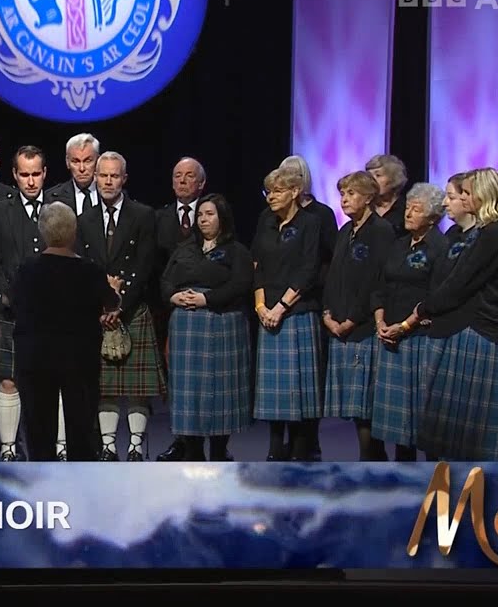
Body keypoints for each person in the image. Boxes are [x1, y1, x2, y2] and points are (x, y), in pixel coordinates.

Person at [414, 168, 498, 461]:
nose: (461, 198)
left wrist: (424, 308)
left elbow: (465, 280)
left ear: (484, 195)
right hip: (460, 327)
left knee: (474, 433)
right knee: (448, 432)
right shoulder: (479, 233)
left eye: (466, 193)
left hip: (479, 329)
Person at [12, 201, 121, 461]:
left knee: (39, 430)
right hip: (79, 360)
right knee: (81, 428)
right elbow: (112, 302)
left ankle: (41, 487)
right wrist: (114, 288)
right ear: (74, 232)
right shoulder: (90, 270)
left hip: (35, 359)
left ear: (42, 232)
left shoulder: (26, 270)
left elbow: (11, 302)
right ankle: (79, 487)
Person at [77, 151, 163, 461]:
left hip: (132, 308)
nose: (108, 181)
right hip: (97, 312)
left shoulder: (142, 215)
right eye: (103, 175)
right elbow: (81, 266)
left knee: (137, 388)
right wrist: (102, 299)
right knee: (106, 386)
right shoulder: (83, 219)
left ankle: (137, 447)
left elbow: (145, 265)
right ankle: (109, 446)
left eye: (115, 176)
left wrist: (120, 304)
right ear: (95, 178)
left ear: (124, 179)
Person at [156, 194, 252, 461]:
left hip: (222, 324)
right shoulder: (185, 249)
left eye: (210, 214)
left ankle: (220, 452)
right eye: (200, 215)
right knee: (191, 394)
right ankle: (193, 451)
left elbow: (240, 285)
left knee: (219, 393)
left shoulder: (236, 251)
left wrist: (206, 299)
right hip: (187, 329)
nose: (203, 219)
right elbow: (165, 281)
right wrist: (173, 297)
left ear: (223, 218)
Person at [370, 183, 450, 461]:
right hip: (389, 333)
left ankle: (430, 476)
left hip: (419, 337)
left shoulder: (440, 247)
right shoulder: (399, 244)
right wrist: (380, 320)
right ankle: (402, 469)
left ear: (433, 216)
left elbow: (436, 295)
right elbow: (380, 284)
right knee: (398, 418)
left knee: (422, 413)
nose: (408, 213)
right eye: (408, 207)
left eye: (417, 209)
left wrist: (404, 326)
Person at [0, 145, 53, 460]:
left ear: (45, 173)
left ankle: (55, 447)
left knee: (51, 380)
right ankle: (9, 448)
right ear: (14, 174)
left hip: (53, 314)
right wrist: (4, 297)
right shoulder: (0, 210)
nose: (30, 181)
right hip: (12, 311)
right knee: (9, 380)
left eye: (36, 174)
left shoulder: (59, 207)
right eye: (24, 174)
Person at [321, 171, 395, 460]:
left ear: (368, 198)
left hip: (362, 328)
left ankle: (371, 461)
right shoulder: (344, 232)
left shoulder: (381, 231)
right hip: (338, 324)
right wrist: (328, 314)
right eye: (342, 194)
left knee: (366, 407)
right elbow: (333, 276)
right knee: (354, 407)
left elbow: (376, 281)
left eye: (351, 194)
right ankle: (371, 460)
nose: (344, 199)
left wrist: (353, 318)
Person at [252, 166, 324, 461]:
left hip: (297, 311)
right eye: (268, 191)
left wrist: (281, 306)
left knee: (298, 388)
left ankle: (300, 447)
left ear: (295, 192)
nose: (271, 197)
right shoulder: (265, 221)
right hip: (266, 311)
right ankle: (273, 446)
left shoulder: (310, 222)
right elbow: (257, 264)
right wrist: (261, 307)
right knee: (273, 391)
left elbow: (309, 269)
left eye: (277, 191)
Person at [152, 157, 208, 366]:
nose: (182, 180)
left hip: (201, 303)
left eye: (189, 175)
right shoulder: (157, 218)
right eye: (178, 176)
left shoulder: (211, 215)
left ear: (201, 183)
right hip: (165, 305)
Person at [44, 132, 101, 216]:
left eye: (87, 161)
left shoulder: (110, 194)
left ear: (98, 161)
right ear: (67, 162)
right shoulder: (52, 198)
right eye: (76, 161)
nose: (82, 168)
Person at [366, 154, 410, 239]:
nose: (372, 180)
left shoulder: (406, 209)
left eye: (378, 175)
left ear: (394, 179)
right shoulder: (364, 209)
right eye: (369, 176)